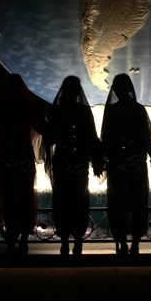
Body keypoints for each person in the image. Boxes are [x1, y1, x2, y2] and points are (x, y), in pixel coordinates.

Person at [0, 73, 46, 255]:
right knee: (18, 199)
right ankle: (18, 241)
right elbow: (43, 127)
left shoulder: (3, 107)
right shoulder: (22, 106)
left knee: (15, 200)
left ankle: (17, 240)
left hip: (12, 159)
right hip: (18, 159)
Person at [100, 73, 151, 256]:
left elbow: (145, 136)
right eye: (118, 87)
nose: (121, 90)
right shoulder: (112, 111)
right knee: (119, 204)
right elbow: (106, 138)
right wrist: (101, 160)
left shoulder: (138, 110)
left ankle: (134, 243)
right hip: (119, 164)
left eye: (123, 86)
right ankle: (123, 242)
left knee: (137, 203)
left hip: (135, 163)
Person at [42, 76, 103, 256]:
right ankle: (65, 240)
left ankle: (76, 239)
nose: (72, 92)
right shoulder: (58, 111)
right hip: (63, 162)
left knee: (79, 200)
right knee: (64, 200)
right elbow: (50, 136)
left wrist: (97, 160)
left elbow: (92, 136)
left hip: (79, 162)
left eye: (74, 88)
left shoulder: (83, 112)